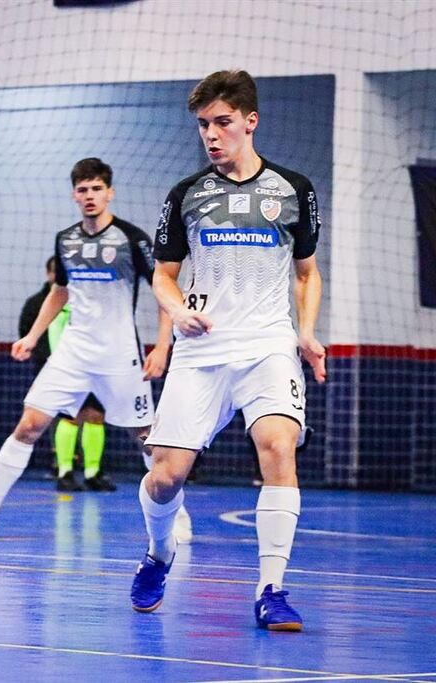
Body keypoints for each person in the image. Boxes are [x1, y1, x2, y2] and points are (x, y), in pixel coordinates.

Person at [130, 70, 325, 632]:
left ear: (249, 121)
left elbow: (307, 273)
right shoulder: (186, 194)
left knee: (278, 448)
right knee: (165, 476)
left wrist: (306, 332)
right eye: (203, 125)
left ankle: (272, 589)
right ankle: (159, 554)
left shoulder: (293, 190)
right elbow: (164, 276)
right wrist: (175, 310)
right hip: (201, 348)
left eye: (222, 123)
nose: (211, 135)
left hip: (268, 344)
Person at [0, 157, 179, 542]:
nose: (89, 196)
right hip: (73, 352)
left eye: (96, 188)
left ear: (109, 192)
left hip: (120, 354)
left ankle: (175, 513)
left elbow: (164, 292)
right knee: (29, 425)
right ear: (74, 194)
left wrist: (163, 346)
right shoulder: (65, 240)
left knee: (145, 435)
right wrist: (33, 336)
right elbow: (59, 291)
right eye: (82, 189)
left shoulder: (132, 239)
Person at [19, 257, 112, 493]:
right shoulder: (37, 303)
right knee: (69, 417)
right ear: (50, 274)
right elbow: (28, 333)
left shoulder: (89, 300)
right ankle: (65, 471)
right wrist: (48, 361)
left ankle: (93, 472)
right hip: (59, 368)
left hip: (92, 365)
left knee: (95, 416)